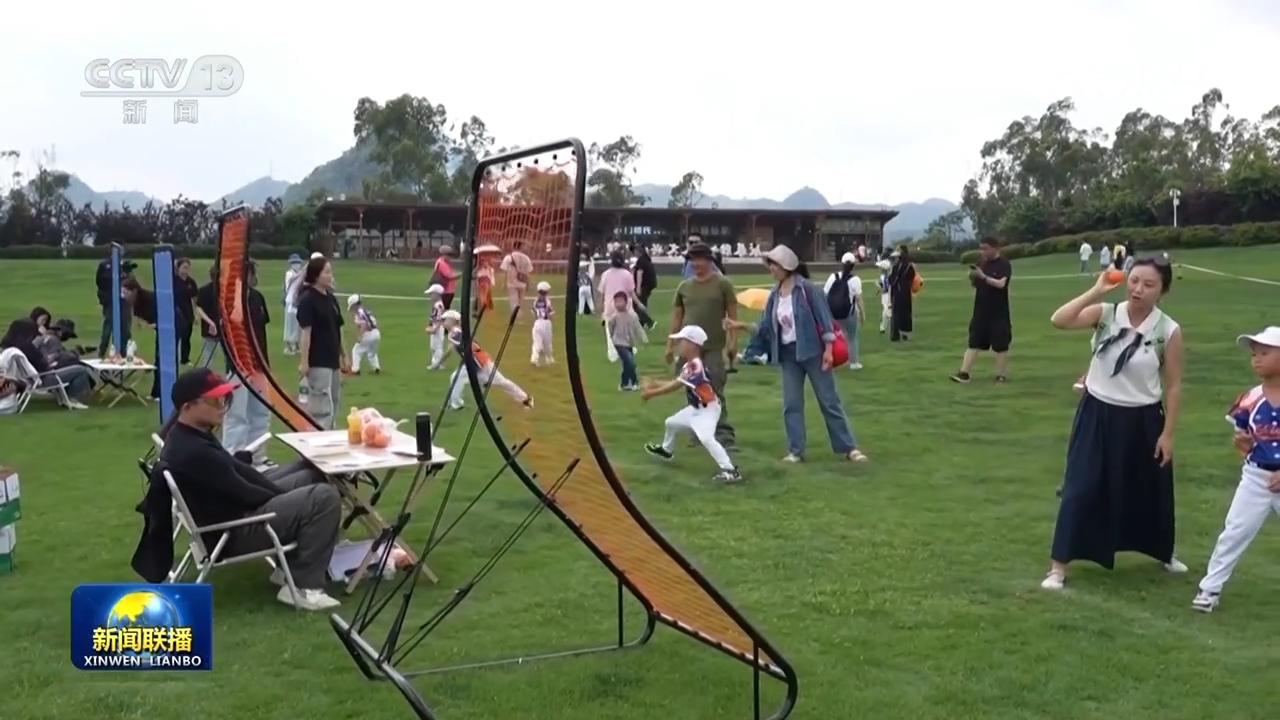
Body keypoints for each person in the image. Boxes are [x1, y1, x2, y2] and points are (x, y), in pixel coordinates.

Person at [1041, 258, 1186, 590]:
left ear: (1163, 291)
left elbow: (1174, 385)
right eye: (1134, 281)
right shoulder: (1106, 314)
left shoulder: (1168, 331)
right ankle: (1058, 567)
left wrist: (1168, 434)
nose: (1138, 289)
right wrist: (1097, 290)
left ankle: (1163, 552)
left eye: (1148, 285)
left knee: (1149, 489)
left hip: (1144, 419)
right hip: (1097, 414)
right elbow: (1059, 320)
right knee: (1080, 487)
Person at [158, 367, 343, 610]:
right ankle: (303, 587)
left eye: (225, 398)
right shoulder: (194, 451)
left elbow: (235, 470)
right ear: (187, 407)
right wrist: (286, 497)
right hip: (233, 531)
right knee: (324, 497)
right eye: (214, 401)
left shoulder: (189, 434)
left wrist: (279, 491)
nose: (222, 406)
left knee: (309, 472)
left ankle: (288, 569)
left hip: (232, 514)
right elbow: (245, 493)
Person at [728, 245, 865, 463]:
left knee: (829, 401)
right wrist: (740, 326)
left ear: (786, 266)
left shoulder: (808, 290)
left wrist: (828, 351)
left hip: (814, 352)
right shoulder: (774, 295)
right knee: (791, 405)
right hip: (788, 356)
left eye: (774, 264)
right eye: (770, 264)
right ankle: (795, 451)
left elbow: (825, 322)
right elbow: (765, 327)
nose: (771, 269)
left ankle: (849, 448)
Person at [1191, 327, 1280, 613]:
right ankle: (1210, 589)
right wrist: (1243, 444)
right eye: (1254, 354)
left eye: (1265, 353)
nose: (1257, 359)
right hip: (1256, 478)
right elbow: (1244, 440)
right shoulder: (1250, 399)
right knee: (1235, 532)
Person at [642, 325, 742, 484]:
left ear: (692, 344)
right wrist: (655, 383)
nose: (679, 345)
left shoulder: (695, 366)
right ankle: (667, 450)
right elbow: (678, 381)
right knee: (671, 423)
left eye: (682, 341)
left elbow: (675, 386)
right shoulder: (690, 365)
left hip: (708, 410)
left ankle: (730, 470)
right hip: (697, 408)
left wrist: (651, 393)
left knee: (706, 438)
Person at [667, 242, 738, 451]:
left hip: (713, 346)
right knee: (692, 390)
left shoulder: (722, 284)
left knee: (714, 388)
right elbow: (677, 317)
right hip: (689, 349)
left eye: (700, 259)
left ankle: (723, 433)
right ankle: (699, 431)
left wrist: (733, 342)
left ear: (709, 260)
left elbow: (733, 316)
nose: (696, 263)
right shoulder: (684, 287)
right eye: (693, 259)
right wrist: (670, 345)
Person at [222, 261, 272, 462]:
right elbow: (232, 323)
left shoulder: (257, 297)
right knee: (237, 414)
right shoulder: (228, 299)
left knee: (261, 412)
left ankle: (257, 456)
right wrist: (237, 291)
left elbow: (261, 330)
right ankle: (233, 455)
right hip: (239, 365)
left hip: (259, 364)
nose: (251, 278)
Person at [441, 310, 533, 411]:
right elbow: (453, 348)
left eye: (445, 320)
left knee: (501, 382)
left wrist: (470, 350)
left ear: (452, 320)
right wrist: (440, 362)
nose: (443, 323)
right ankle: (456, 403)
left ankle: (525, 398)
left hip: (478, 361)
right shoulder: (455, 332)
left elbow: (472, 346)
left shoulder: (455, 333)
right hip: (473, 361)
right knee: (457, 377)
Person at [951, 237, 1013, 384]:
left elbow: (1001, 284)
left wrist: (984, 277)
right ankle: (964, 373)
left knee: (1000, 345)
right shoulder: (982, 264)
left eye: (986, 248)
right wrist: (973, 277)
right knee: (974, 342)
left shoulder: (1004, 264)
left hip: (998, 312)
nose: (983, 252)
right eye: (981, 248)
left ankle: (1001, 375)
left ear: (995, 248)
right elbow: (976, 284)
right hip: (981, 311)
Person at [295, 256, 347, 429]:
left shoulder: (331, 298)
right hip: (318, 360)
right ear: (316, 275)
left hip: (333, 359)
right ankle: (319, 437)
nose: (330, 276)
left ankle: (330, 434)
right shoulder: (308, 300)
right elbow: (306, 333)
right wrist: (304, 362)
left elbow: (338, 328)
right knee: (321, 406)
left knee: (335, 401)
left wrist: (344, 355)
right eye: (327, 272)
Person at [1, 318, 91, 408]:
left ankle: (65, 397)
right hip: (41, 380)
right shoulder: (28, 348)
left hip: (21, 380)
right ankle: (72, 399)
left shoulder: (8, 348)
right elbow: (43, 366)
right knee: (81, 370)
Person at [823, 253, 865, 370]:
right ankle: (853, 362)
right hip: (849, 313)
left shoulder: (833, 277)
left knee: (836, 337)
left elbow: (825, 295)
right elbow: (859, 299)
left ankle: (836, 359)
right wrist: (862, 315)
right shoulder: (855, 280)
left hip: (834, 313)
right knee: (852, 337)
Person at [608, 291, 644, 391]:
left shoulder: (632, 316)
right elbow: (610, 327)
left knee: (627, 364)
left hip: (629, 343)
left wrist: (643, 339)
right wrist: (612, 337)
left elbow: (638, 328)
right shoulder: (614, 317)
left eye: (620, 301)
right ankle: (635, 382)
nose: (618, 304)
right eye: (616, 302)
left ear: (626, 302)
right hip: (619, 343)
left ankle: (624, 383)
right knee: (630, 362)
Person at [172, 258, 200, 365]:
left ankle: (184, 359)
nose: (186, 270)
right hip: (176, 312)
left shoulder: (191, 282)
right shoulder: (173, 281)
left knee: (186, 337)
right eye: (183, 267)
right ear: (178, 268)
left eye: (187, 268)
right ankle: (173, 358)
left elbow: (194, 298)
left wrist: (195, 314)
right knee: (175, 337)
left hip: (187, 312)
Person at [346, 294, 381, 375]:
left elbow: (364, 324)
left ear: (355, 304)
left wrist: (360, 336)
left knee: (356, 350)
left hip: (368, 333)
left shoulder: (359, 312)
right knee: (372, 352)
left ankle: (355, 370)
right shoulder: (366, 311)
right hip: (376, 333)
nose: (352, 308)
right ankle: (376, 368)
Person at [194, 265, 221, 367]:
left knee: (208, 355)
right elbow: (199, 308)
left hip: (212, 327)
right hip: (214, 328)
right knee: (209, 354)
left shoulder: (203, 290)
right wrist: (211, 322)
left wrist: (209, 322)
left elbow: (198, 308)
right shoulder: (225, 291)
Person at [887, 247, 917, 342]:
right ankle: (900, 333)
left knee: (901, 313)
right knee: (900, 313)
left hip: (901, 292)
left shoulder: (905, 266)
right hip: (901, 292)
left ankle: (900, 334)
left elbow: (893, 279)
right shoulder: (900, 266)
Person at [500, 241, 534, 311]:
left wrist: (504, 283)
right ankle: (518, 313)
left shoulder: (508, 257)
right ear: (521, 247)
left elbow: (505, 271)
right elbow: (528, 272)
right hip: (522, 282)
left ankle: (516, 315)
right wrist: (528, 284)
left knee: (513, 301)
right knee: (520, 302)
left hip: (511, 282)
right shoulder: (526, 258)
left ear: (513, 247)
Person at [282, 254, 305, 355]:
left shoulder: (300, 273)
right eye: (295, 263)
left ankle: (296, 345)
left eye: (298, 263)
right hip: (290, 301)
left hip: (298, 302)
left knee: (297, 324)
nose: (297, 265)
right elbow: (292, 280)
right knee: (289, 325)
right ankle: (288, 346)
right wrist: (303, 273)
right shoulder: (289, 274)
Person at [632, 244, 658, 329]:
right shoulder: (646, 259)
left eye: (635, 251)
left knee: (637, 305)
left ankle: (649, 322)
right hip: (649, 284)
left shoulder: (641, 260)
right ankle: (641, 323)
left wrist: (638, 287)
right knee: (642, 303)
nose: (634, 253)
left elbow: (640, 273)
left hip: (644, 285)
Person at [530, 281, 555, 366]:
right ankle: (549, 359)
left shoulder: (535, 301)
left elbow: (533, 313)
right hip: (546, 323)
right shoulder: (547, 301)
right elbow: (550, 313)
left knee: (537, 343)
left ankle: (534, 358)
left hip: (537, 322)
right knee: (547, 343)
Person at [424, 283, 447, 370]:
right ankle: (436, 362)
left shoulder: (438, 305)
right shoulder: (436, 304)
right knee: (433, 346)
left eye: (431, 293)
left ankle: (437, 364)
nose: (430, 295)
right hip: (435, 326)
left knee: (437, 346)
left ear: (437, 294)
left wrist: (434, 328)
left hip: (438, 327)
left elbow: (439, 319)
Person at [875, 258, 892, 333]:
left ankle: (883, 326)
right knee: (886, 310)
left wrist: (879, 286)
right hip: (887, 295)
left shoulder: (884, 276)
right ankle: (884, 326)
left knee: (886, 310)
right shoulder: (886, 275)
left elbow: (885, 288)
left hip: (887, 295)